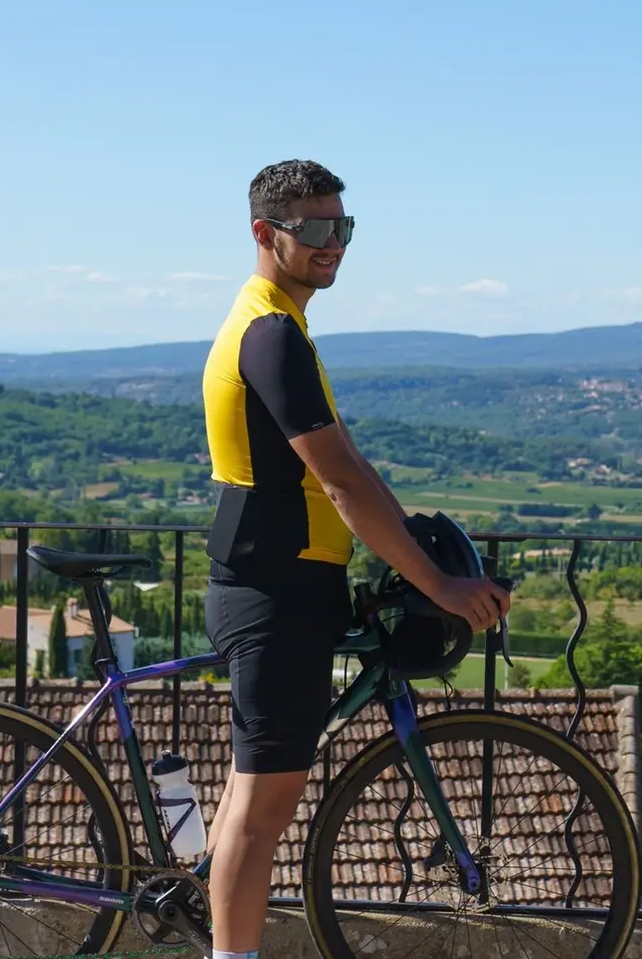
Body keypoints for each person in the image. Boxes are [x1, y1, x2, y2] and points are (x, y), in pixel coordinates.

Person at [199, 159, 513, 959]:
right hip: (275, 588)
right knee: (259, 812)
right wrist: (435, 579)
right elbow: (339, 482)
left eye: (342, 226)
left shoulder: (278, 323)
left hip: (286, 578)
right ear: (265, 234)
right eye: (313, 228)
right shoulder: (270, 335)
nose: (332, 243)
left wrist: (407, 540)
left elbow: (351, 466)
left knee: (255, 803)